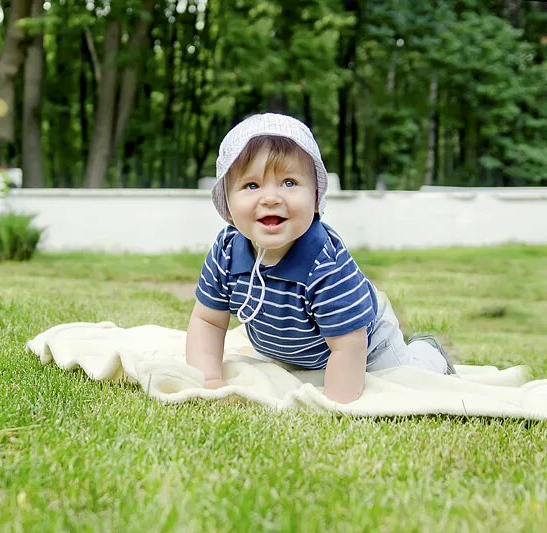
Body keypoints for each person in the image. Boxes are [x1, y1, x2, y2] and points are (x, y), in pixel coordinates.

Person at [186, 113, 455, 403]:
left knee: (405, 380)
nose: (271, 198)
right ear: (226, 206)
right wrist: (209, 380)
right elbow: (208, 321)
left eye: (289, 182)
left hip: (365, 344)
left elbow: (348, 346)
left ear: (316, 198)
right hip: (296, 348)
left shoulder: (324, 262)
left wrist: (333, 404)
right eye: (252, 186)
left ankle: (428, 353)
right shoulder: (226, 251)